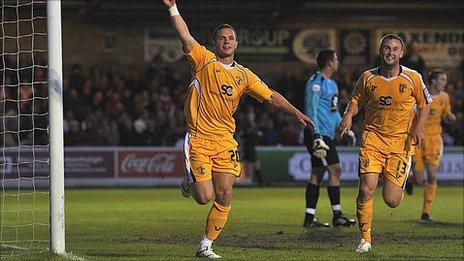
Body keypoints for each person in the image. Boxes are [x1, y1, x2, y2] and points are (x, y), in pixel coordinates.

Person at [161, 0, 313, 258]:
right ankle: (190, 183)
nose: (227, 41)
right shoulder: (203, 60)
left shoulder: (244, 75)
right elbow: (185, 36)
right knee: (203, 196)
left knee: (225, 194)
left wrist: (296, 111)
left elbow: (271, 96)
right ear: (215, 43)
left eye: (231, 38)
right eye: (222, 38)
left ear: (236, 44)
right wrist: (173, 7)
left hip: (225, 141)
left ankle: (205, 245)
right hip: (198, 138)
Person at [338, 34, 432, 253]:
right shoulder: (368, 78)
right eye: (387, 48)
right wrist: (349, 115)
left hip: (401, 144)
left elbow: (425, 104)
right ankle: (365, 239)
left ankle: (399, 175)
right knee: (366, 189)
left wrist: (418, 128)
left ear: (401, 53)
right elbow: (356, 100)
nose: (391, 52)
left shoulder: (413, 78)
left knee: (392, 200)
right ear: (381, 51)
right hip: (373, 139)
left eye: (395, 49)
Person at [302, 49, 356, 228]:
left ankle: (309, 218)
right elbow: (312, 110)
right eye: (336, 59)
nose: (337, 62)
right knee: (336, 170)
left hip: (325, 134)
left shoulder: (332, 84)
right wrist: (316, 135)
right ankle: (337, 215)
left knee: (318, 173)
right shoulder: (315, 83)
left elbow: (333, 112)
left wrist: (344, 128)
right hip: (317, 134)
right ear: (329, 62)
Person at [407, 69, 456, 221]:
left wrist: (449, 117)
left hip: (434, 138)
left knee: (433, 174)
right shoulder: (419, 95)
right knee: (420, 179)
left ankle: (425, 212)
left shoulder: (444, 97)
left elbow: (446, 115)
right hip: (418, 139)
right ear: (434, 81)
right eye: (442, 80)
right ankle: (409, 180)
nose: (445, 83)